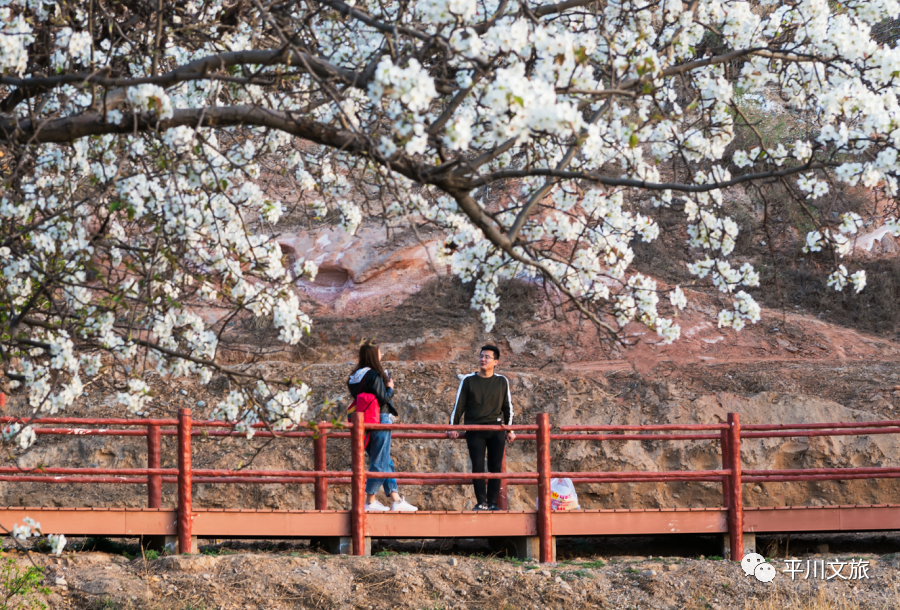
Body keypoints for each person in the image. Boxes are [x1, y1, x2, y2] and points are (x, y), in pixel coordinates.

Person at [348, 341, 418, 512]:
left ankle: (396, 499)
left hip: (364, 419)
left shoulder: (354, 377)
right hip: (380, 418)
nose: (381, 355)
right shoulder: (374, 375)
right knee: (379, 461)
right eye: (379, 352)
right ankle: (370, 501)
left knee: (385, 459)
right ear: (373, 355)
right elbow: (382, 399)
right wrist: (390, 388)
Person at [447, 345, 515, 511]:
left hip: (496, 428)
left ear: (496, 362)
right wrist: (453, 427)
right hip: (474, 429)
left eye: (487, 357)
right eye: (481, 356)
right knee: (477, 466)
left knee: (495, 467)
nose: (483, 359)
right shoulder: (468, 380)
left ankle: (492, 502)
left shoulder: (501, 381)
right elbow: (459, 406)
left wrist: (510, 429)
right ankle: (481, 502)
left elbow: (508, 407)